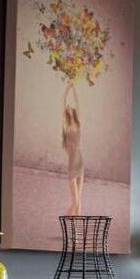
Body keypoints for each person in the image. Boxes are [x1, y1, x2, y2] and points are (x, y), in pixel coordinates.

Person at [62, 83, 84, 215]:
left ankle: (76, 226)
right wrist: (67, 89)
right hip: (72, 164)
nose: (69, 107)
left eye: (71, 107)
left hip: (80, 162)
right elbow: (63, 102)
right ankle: (65, 222)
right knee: (75, 201)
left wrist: (73, 87)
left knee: (79, 201)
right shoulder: (66, 126)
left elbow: (77, 101)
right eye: (67, 107)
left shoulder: (78, 123)